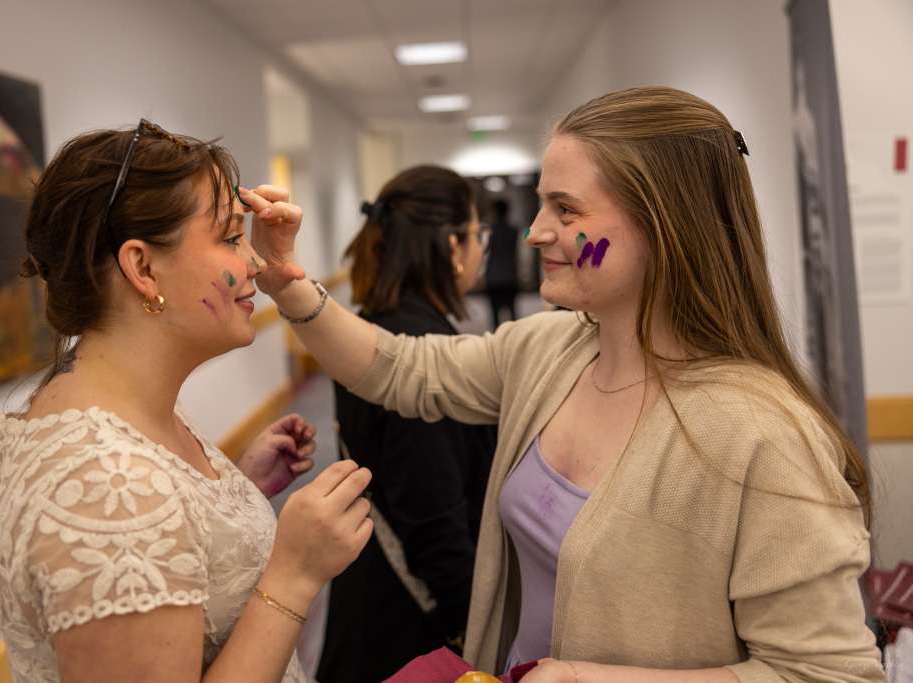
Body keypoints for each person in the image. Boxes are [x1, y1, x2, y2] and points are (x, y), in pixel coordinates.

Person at [247, 87, 885, 682]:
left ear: (663, 227)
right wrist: (288, 283)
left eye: (567, 209)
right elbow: (400, 368)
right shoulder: (552, 350)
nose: (534, 231)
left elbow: (828, 672)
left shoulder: (763, 435)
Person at [0, 120, 373, 683]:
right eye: (231, 238)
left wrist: (232, 492)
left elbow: (163, 553)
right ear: (142, 268)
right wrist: (295, 573)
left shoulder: (105, 413)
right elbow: (129, 517)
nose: (256, 264)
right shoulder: (111, 488)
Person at [317, 166, 498, 683]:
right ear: (451, 245)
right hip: (410, 623)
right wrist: (474, 629)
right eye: (476, 234)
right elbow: (433, 514)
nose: (481, 248)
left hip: (373, 582)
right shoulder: (419, 354)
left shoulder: (371, 330)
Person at [484, 199, 520, 328]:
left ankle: (497, 340)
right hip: (510, 274)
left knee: (494, 314)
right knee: (511, 311)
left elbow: (485, 250)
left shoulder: (491, 231)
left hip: (494, 276)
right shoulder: (513, 230)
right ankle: (514, 338)